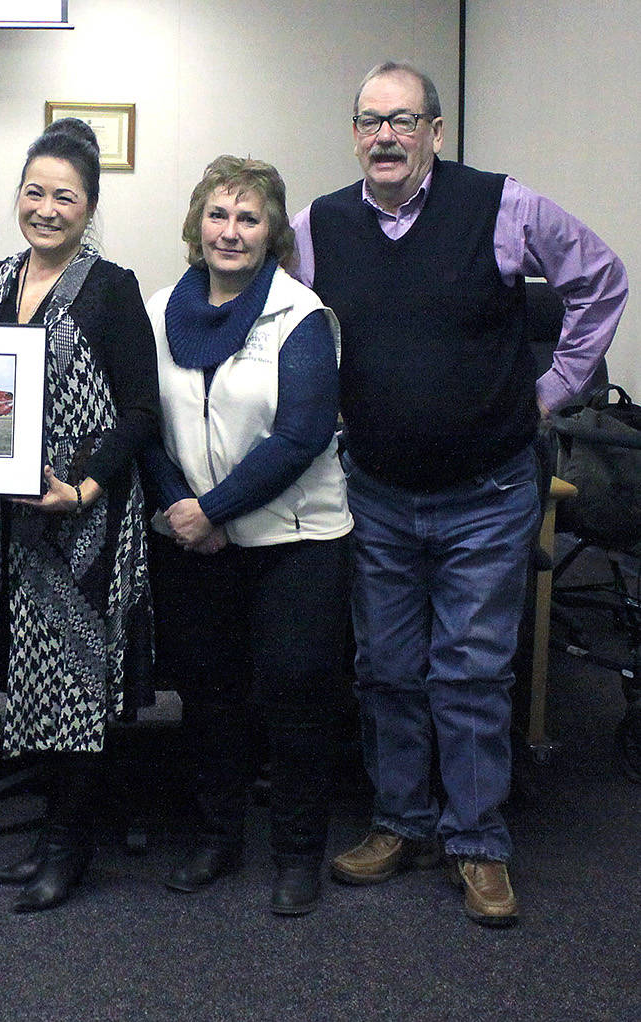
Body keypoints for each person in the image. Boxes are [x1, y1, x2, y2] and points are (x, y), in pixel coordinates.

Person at [291, 61, 628, 927]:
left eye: (405, 120)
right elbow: (274, 316)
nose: (387, 136)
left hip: (489, 490)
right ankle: (400, 821)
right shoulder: (319, 225)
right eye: (371, 120)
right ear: (354, 133)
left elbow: (602, 279)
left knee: (471, 671)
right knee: (388, 669)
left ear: (436, 133)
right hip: (377, 491)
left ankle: (477, 841)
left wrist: (551, 390)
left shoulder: (503, 205)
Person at [0, 119, 160, 913]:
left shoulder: (112, 288)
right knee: (23, 675)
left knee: (75, 677)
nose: (46, 208)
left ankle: (69, 848)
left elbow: (141, 411)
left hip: (81, 520)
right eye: (34, 192)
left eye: (64, 196)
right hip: (6, 524)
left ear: (90, 206)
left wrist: (85, 487)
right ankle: (50, 834)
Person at [143, 156, 352, 916]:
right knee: (209, 695)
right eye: (219, 215)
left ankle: (298, 854)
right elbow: (146, 424)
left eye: (249, 218)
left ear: (273, 234)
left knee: (297, 698)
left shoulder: (299, 314)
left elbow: (300, 435)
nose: (231, 232)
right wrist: (180, 510)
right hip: (194, 540)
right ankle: (217, 838)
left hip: (295, 541)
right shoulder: (162, 307)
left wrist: (214, 509)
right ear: (198, 224)